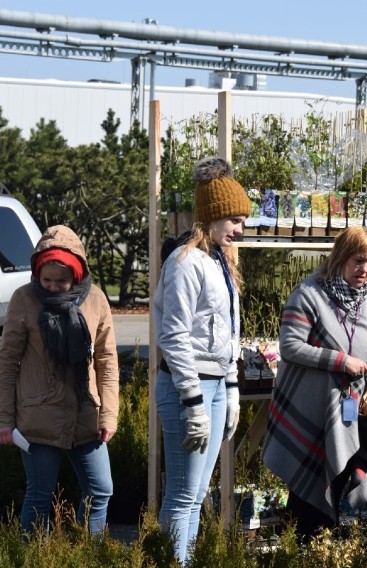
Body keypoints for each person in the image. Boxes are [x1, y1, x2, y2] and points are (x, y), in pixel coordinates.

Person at [261, 225, 367, 540]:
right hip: (312, 410)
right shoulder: (308, 294)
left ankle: (324, 553)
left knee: (336, 489)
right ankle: (302, 553)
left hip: (350, 413)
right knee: (308, 496)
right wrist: (340, 361)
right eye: (358, 260)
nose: (364, 269)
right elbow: (290, 347)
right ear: (341, 257)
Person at [153, 156, 250, 563]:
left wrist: (230, 388)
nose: (240, 229)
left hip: (213, 386)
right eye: (234, 220)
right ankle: (169, 559)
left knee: (196, 495)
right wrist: (193, 399)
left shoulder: (221, 263)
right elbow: (173, 335)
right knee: (180, 493)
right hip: (185, 388)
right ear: (211, 216)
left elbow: (227, 330)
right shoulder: (185, 262)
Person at [0, 225, 119, 537]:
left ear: (76, 274)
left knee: (101, 489)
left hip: (86, 414)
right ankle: (34, 557)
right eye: (45, 280)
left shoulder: (96, 300)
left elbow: (106, 360)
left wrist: (109, 414)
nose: (51, 287)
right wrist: (4, 420)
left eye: (60, 281)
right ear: (37, 272)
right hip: (39, 415)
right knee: (40, 496)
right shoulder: (23, 299)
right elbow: (7, 362)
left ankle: (87, 556)